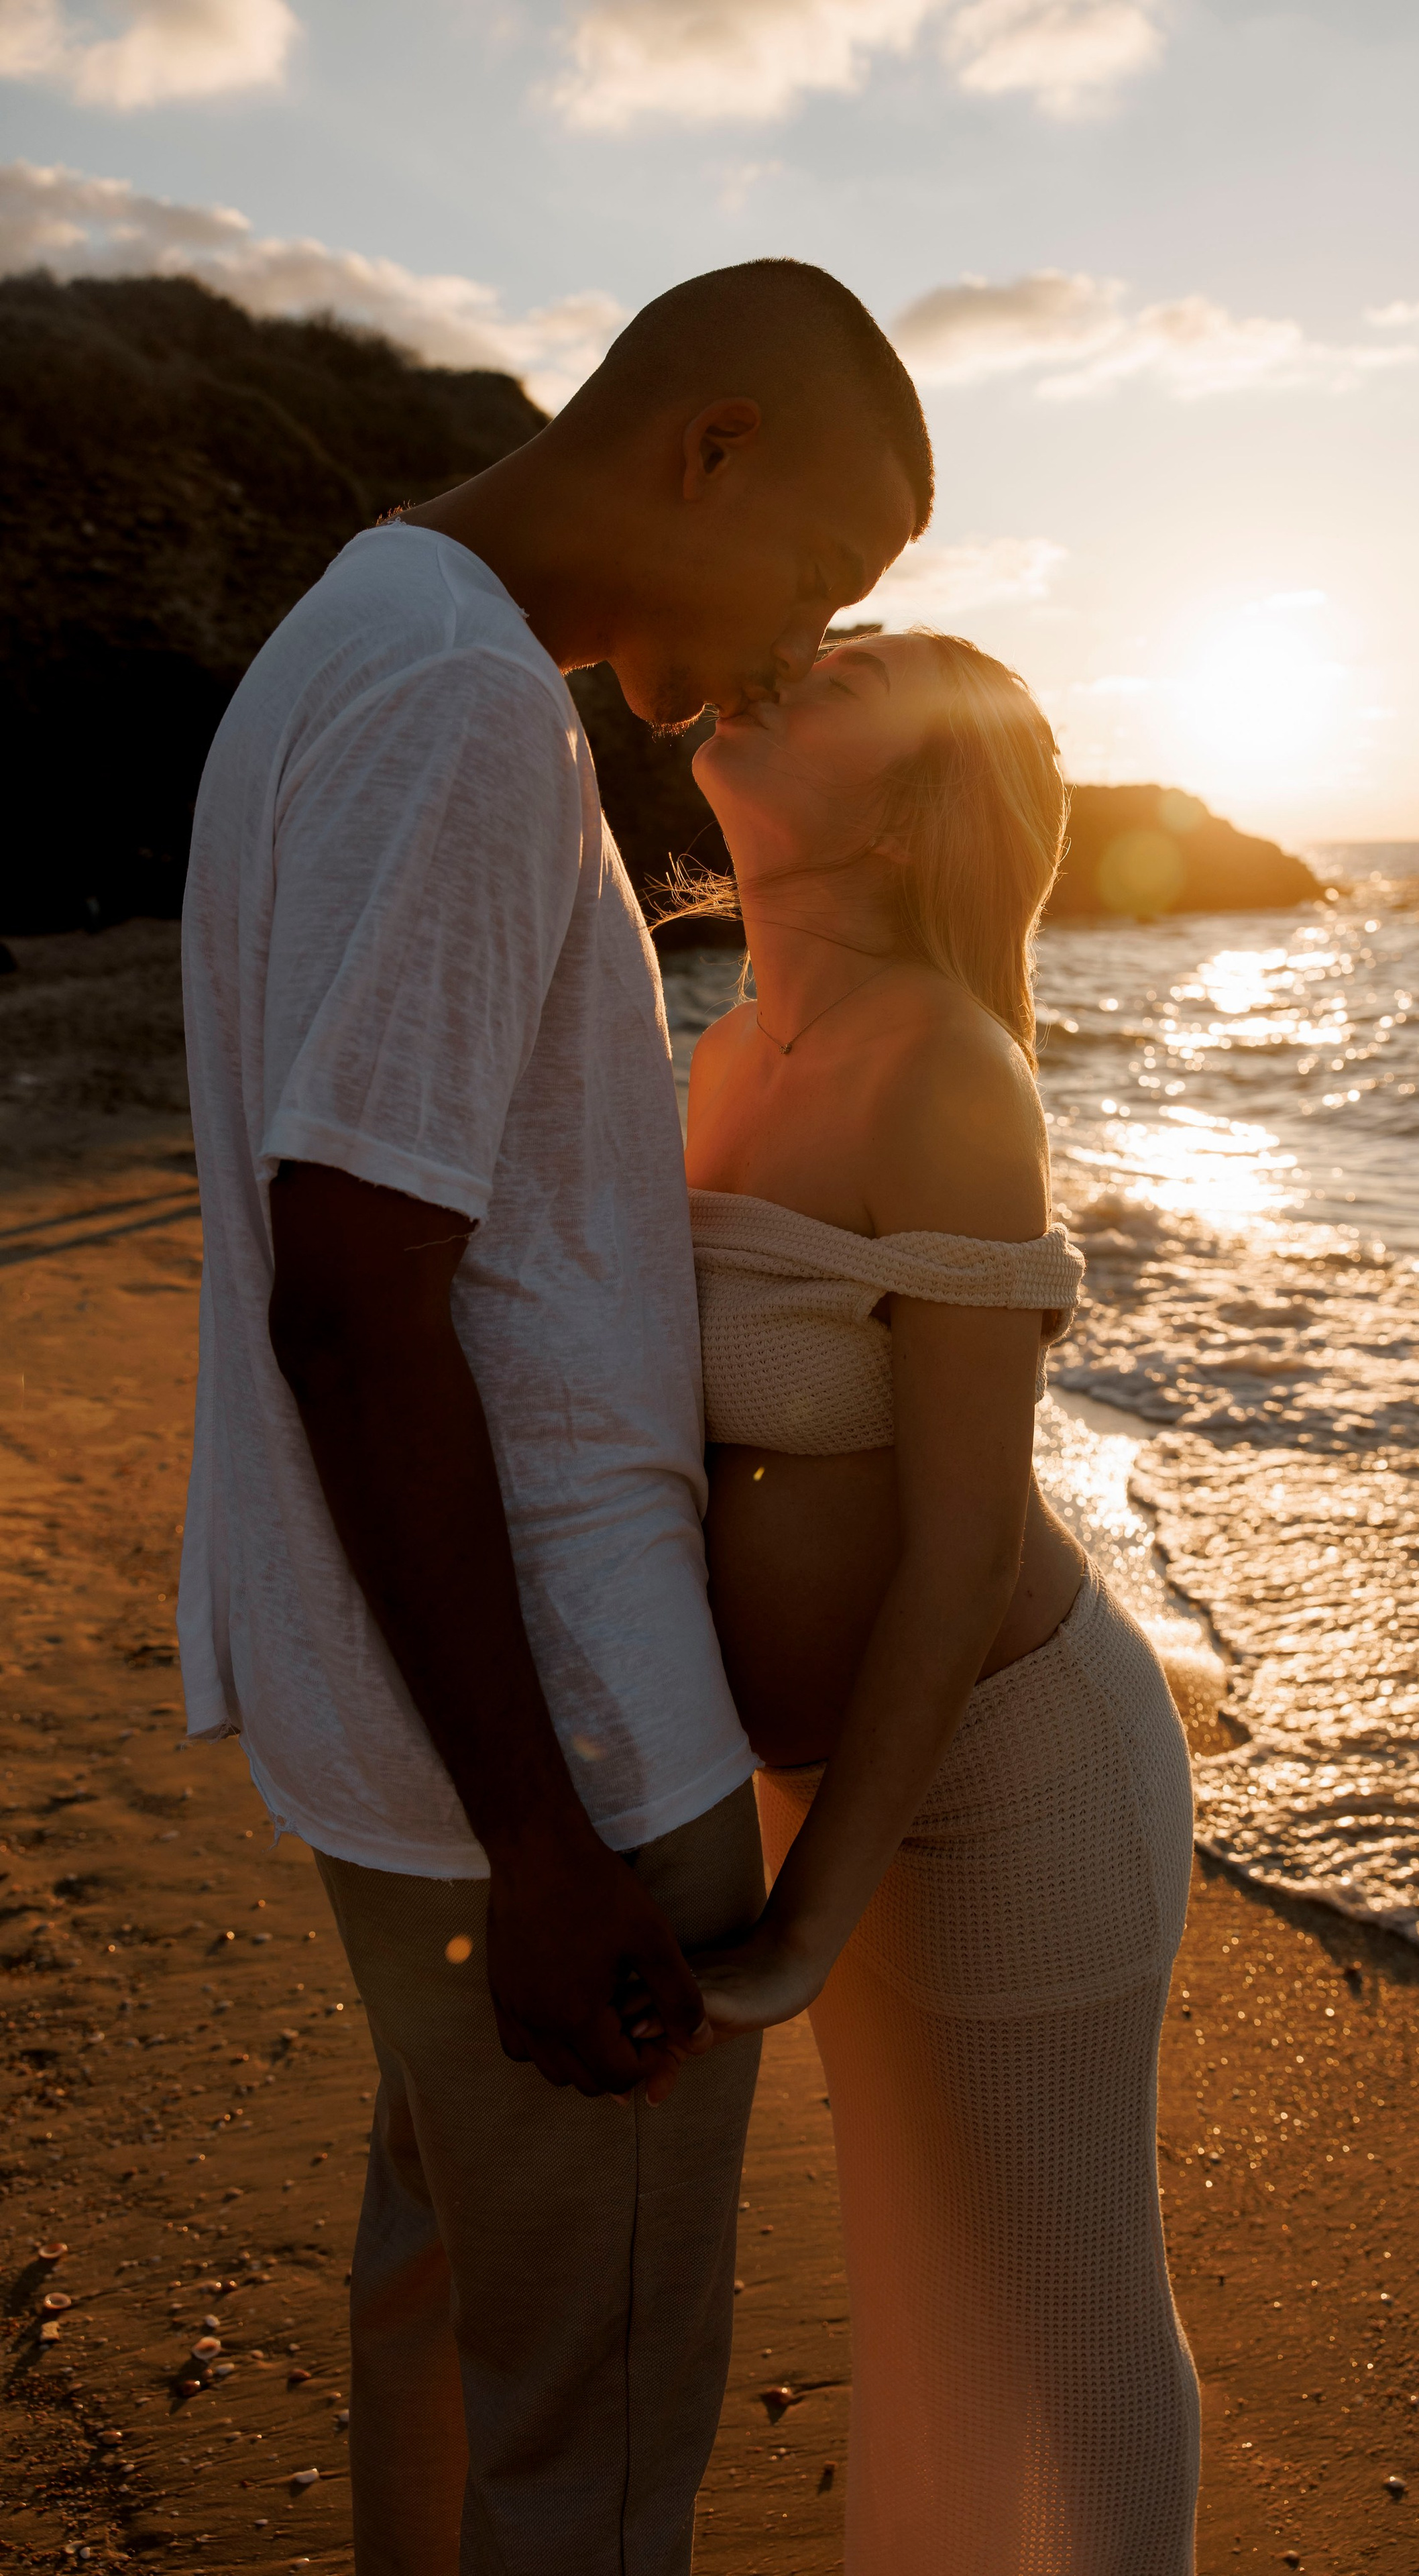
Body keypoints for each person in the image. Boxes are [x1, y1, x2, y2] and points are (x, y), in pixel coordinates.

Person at [174, 259, 930, 2575]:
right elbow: (355, 1291)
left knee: (456, 2316)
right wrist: (549, 1834)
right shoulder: (465, 706)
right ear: (710, 446)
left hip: (420, 1715)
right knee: (590, 2457)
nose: (803, 642)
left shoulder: (372, 633)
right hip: (559, 1744)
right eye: (817, 566)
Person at [665, 629, 1201, 2572]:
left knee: (1064, 2308)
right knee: (918, 2290)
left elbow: (967, 1545)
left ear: (906, 819)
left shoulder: (949, 1076)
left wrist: (808, 1916)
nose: (793, 660)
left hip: (1017, 1774)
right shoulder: (725, 1044)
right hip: (846, 1786)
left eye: (857, 671)